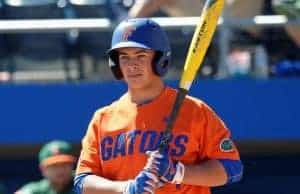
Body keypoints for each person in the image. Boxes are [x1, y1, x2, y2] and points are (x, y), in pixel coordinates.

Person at [74, 18, 243, 194]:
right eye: (124, 57)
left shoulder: (194, 110)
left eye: (141, 56)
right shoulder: (103, 119)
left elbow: (232, 168)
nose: (132, 65)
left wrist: (179, 172)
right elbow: (82, 182)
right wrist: (126, 188)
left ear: (160, 60)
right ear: (115, 64)